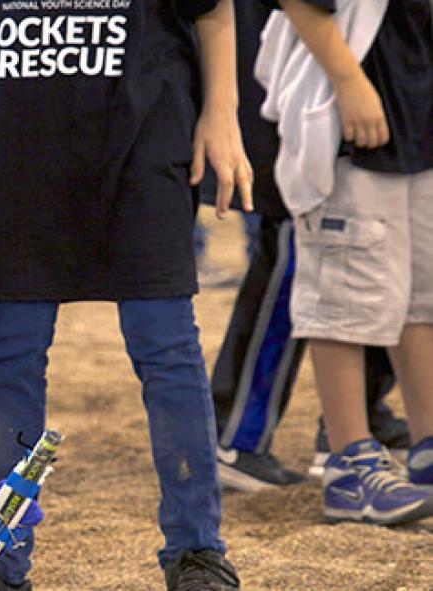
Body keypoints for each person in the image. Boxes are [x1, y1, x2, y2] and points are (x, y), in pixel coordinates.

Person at [0, 0, 252, 589]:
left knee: (167, 349)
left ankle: (196, 549)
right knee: (9, 357)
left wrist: (221, 111)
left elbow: (213, 8)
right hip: (11, 152)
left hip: (143, 141)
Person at [212, 0, 409, 493]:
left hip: (384, 89)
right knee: (290, 257)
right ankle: (236, 432)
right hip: (301, 94)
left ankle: (359, 412)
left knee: (390, 256)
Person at [257, 0, 433, 525]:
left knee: (419, 293)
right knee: (343, 296)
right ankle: (349, 463)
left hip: (416, 117)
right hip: (350, 122)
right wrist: (348, 80)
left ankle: (426, 445)